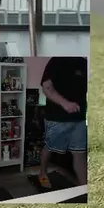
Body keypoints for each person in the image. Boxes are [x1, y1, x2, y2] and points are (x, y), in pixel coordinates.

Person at [37, 55, 87, 189]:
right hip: (57, 118)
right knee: (50, 147)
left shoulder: (83, 62)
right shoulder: (57, 60)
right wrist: (65, 103)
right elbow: (46, 86)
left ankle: (84, 189)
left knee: (79, 153)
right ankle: (42, 173)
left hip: (79, 119)